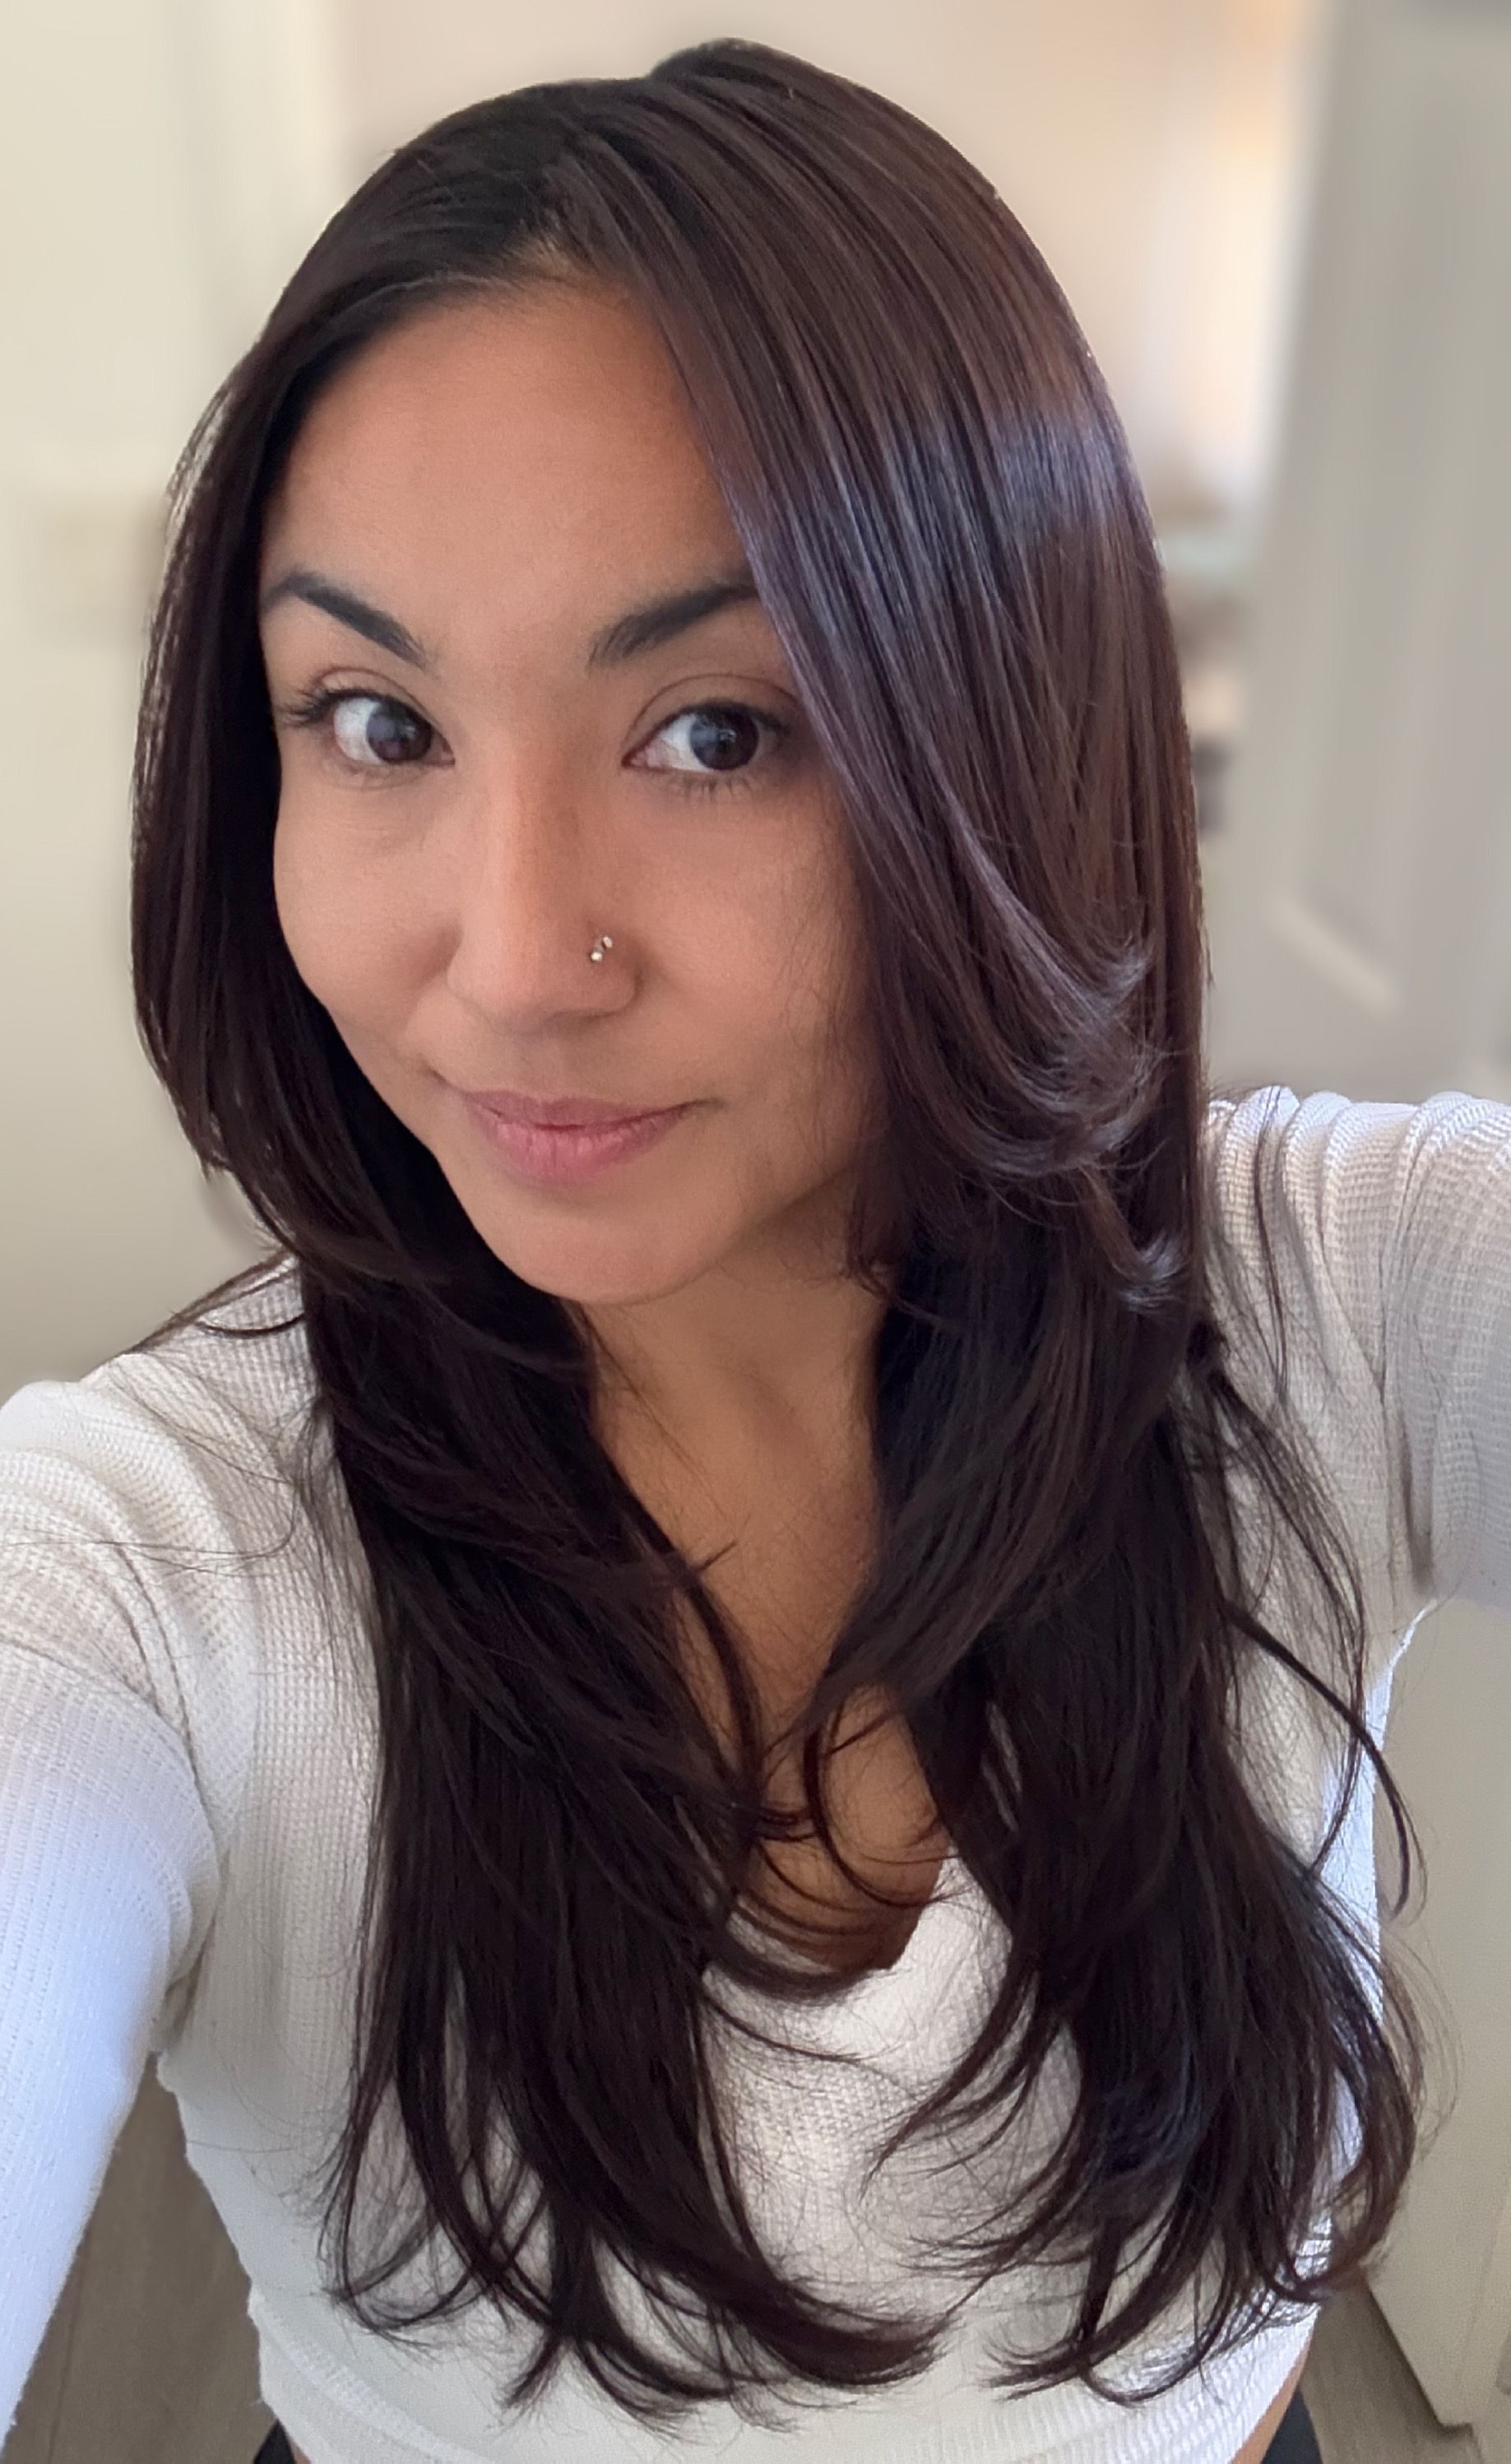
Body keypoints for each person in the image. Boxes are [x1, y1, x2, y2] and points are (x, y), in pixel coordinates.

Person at [1, 33, 1499, 2464]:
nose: (508, 957)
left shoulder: (1314, 1299)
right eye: (374, 720)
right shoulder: (157, 1565)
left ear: (1003, 726)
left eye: (717, 733)